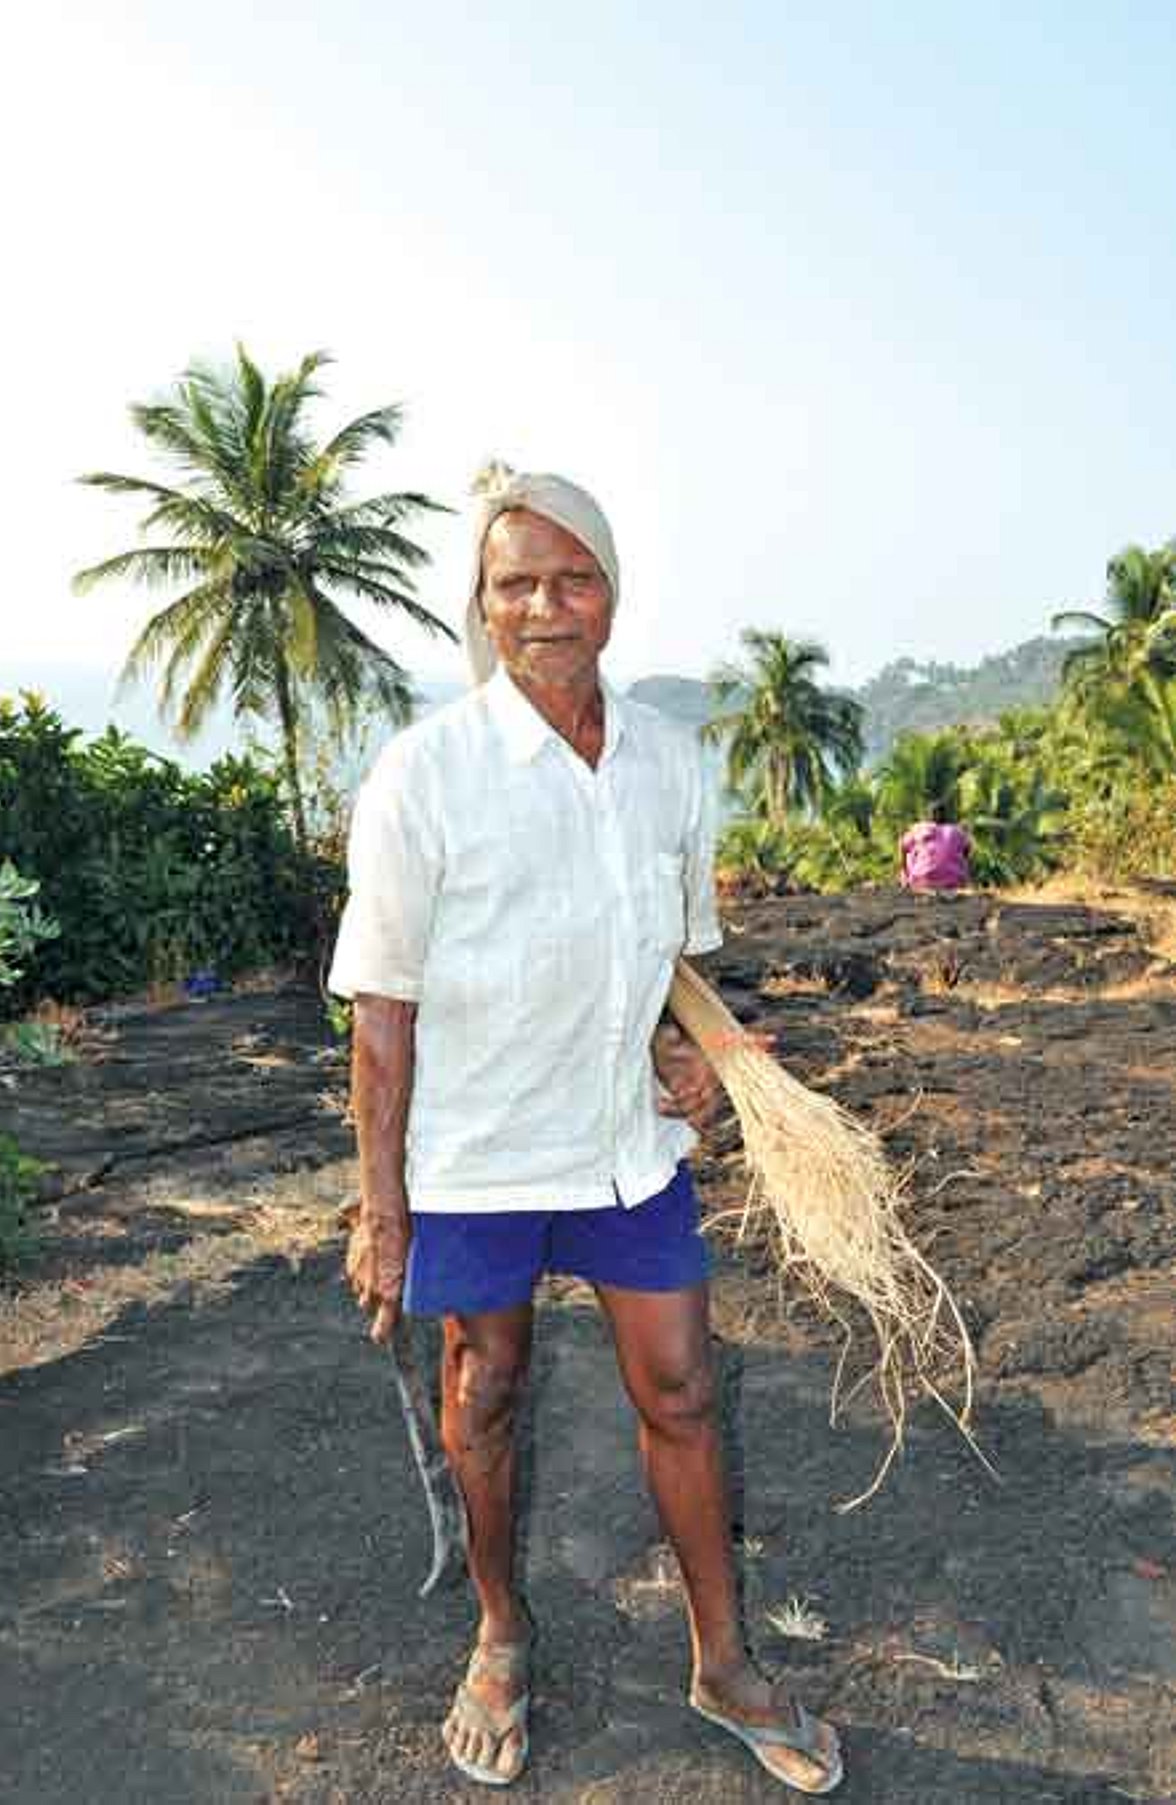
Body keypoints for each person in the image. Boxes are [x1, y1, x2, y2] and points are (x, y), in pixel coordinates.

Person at [329, 466, 843, 1794]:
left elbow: (675, 959)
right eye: (517, 584)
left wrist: (696, 1061)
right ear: (484, 609)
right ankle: (501, 1631)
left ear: (611, 591)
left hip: (626, 1148)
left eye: (574, 577)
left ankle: (722, 1657)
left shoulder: (671, 760)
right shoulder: (423, 775)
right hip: (477, 1158)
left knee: (680, 1388)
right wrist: (383, 1204)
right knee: (484, 1389)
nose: (546, 605)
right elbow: (380, 1013)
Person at [899, 804, 971, 891]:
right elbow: (967, 850)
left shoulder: (919, 828)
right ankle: (956, 875)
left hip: (921, 880)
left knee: (911, 852)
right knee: (959, 852)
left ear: (929, 816)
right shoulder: (956, 831)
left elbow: (902, 847)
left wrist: (904, 871)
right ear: (946, 816)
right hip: (954, 881)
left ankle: (908, 881)